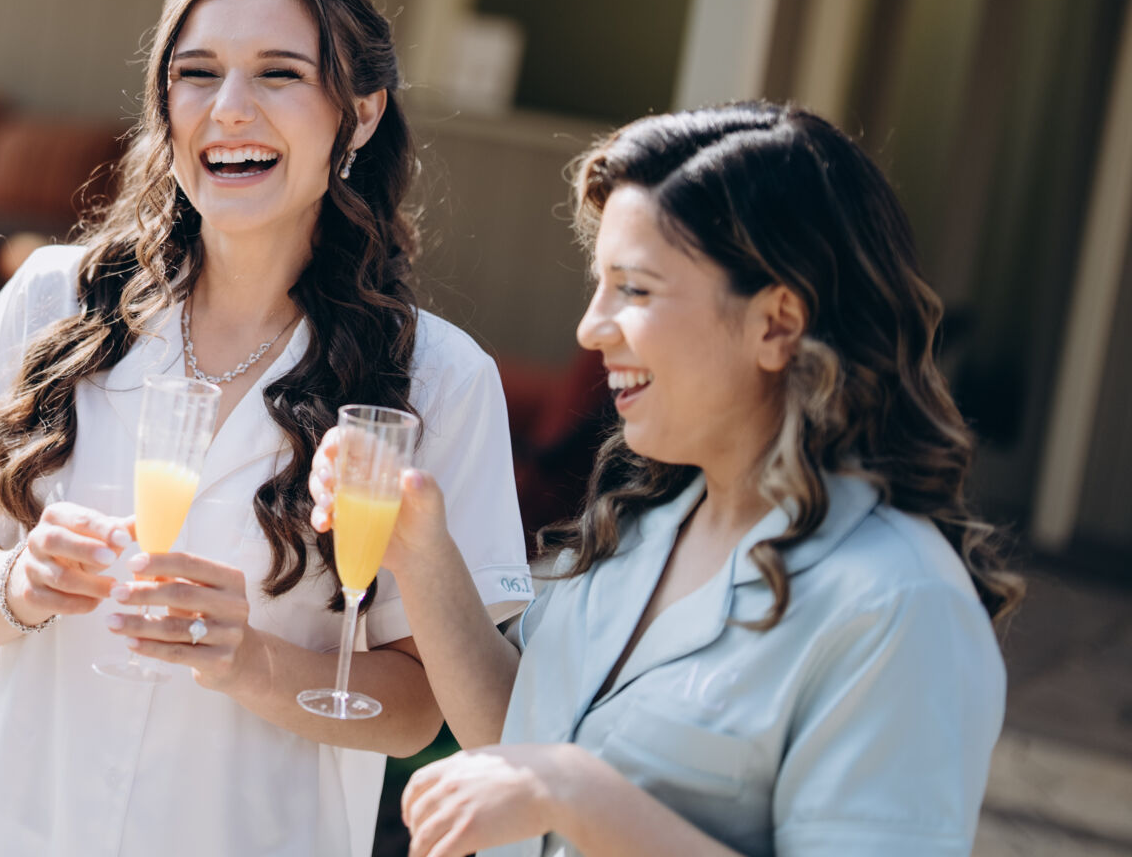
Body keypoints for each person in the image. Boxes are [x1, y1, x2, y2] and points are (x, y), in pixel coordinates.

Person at [0, 0, 533, 857]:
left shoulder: (438, 378)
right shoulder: (54, 300)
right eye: (197, 73)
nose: (229, 109)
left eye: (279, 73)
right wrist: (18, 582)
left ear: (360, 114)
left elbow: (416, 713)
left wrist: (252, 662)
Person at [311, 103, 1022, 857]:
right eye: (600, 285)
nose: (591, 328)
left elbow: (556, 783)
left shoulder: (899, 604)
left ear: (777, 324)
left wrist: (580, 796)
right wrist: (423, 553)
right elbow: (518, 735)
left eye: (636, 290)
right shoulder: (641, 527)